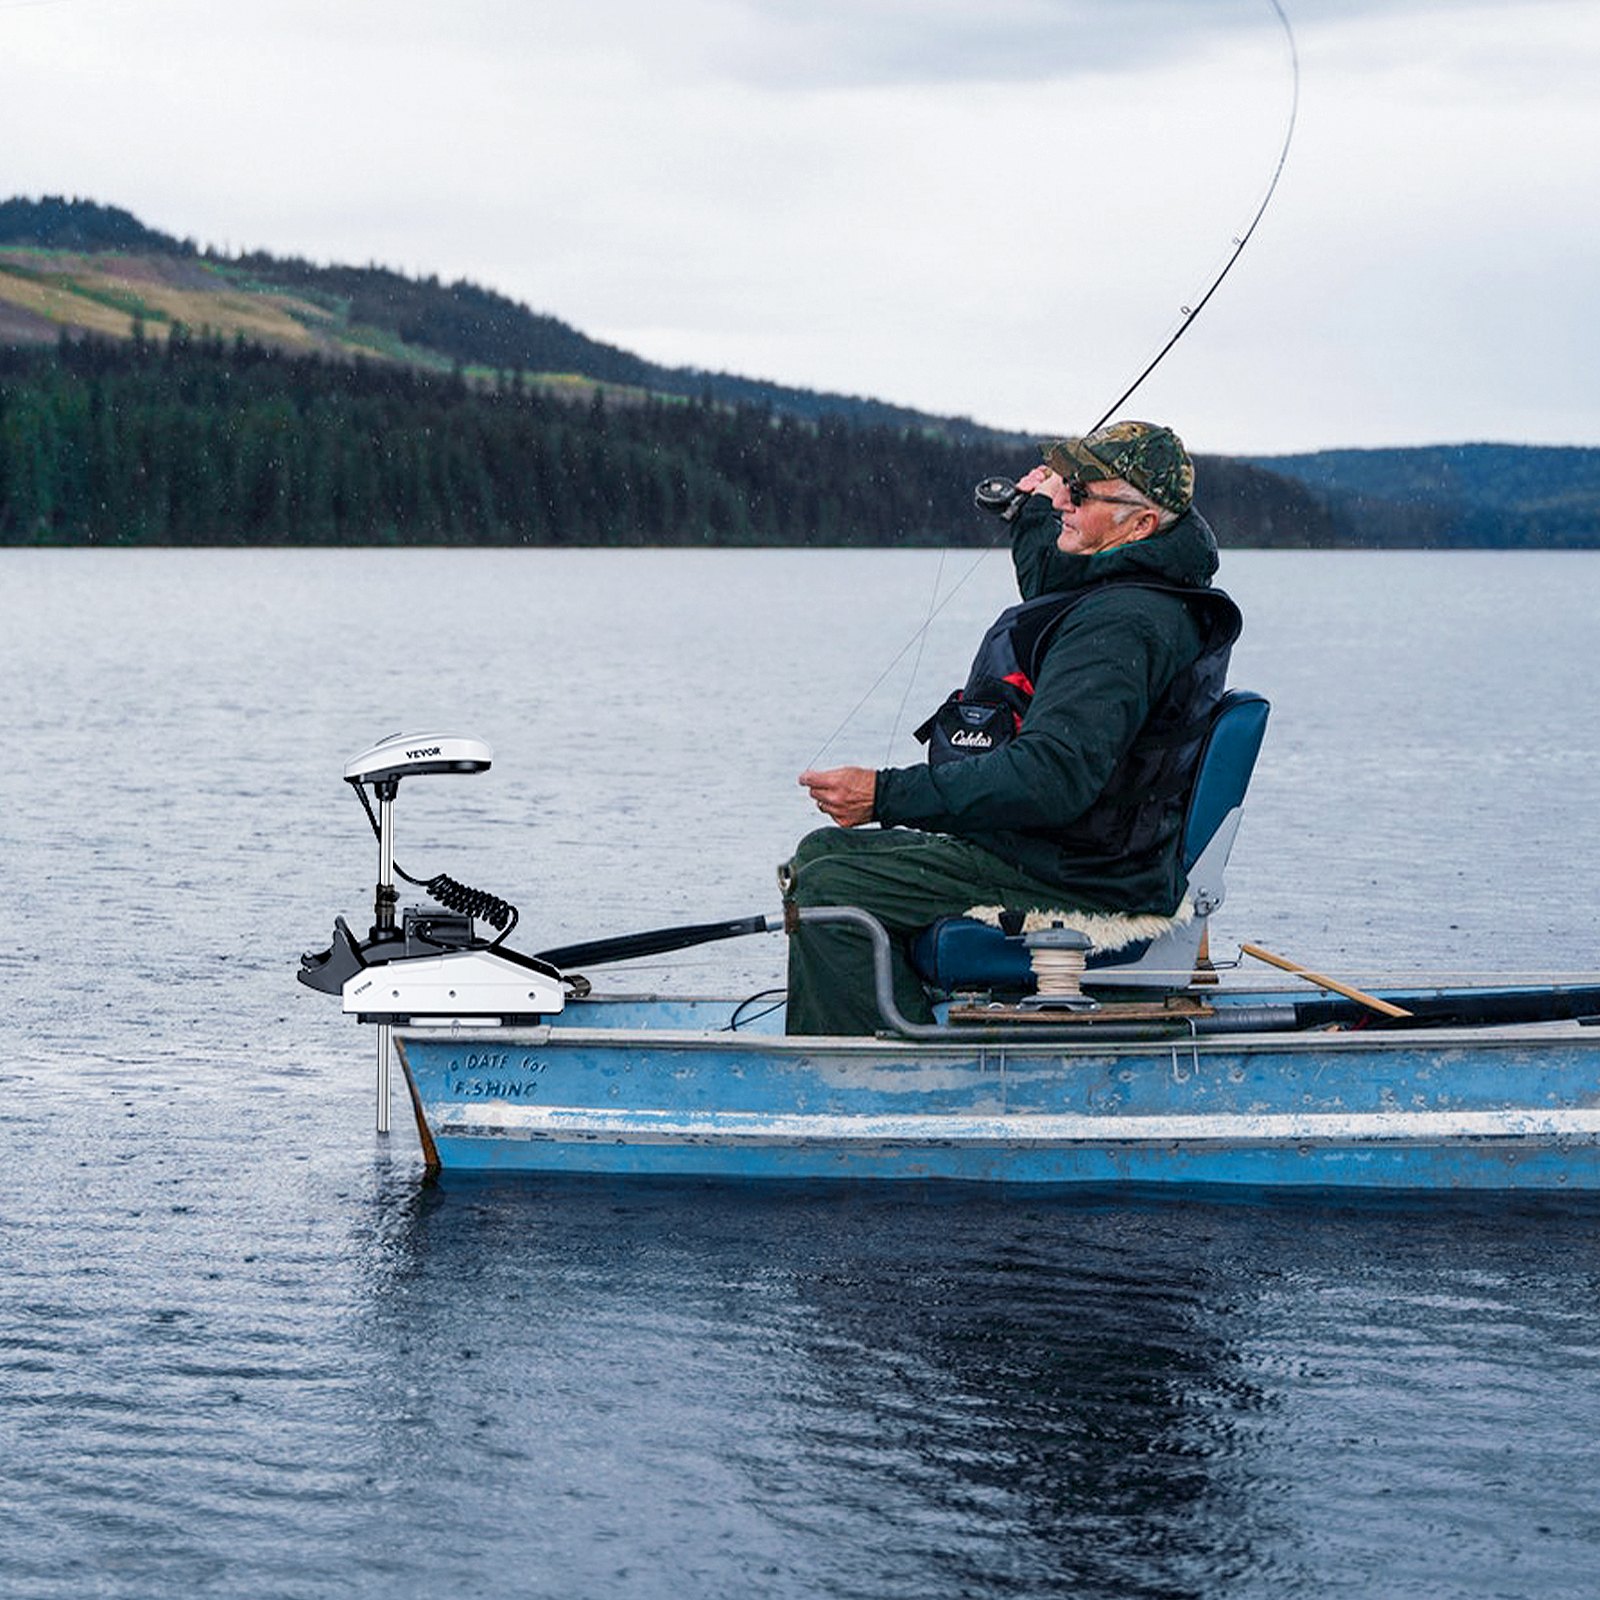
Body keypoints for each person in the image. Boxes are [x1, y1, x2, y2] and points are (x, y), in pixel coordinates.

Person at [781, 419, 1242, 1036]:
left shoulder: (1122, 626)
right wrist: (1030, 518)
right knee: (819, 855)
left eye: (1081, 494)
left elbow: (1050, 778)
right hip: (1083, 850)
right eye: (1066, 485)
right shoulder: (1144, 587)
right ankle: (899, 1026)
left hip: (1080, 873)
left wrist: (886, 795)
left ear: (1140, 524)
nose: (1063, 502)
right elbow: (1061, 594)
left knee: (833, 882)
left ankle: (878, 1073)